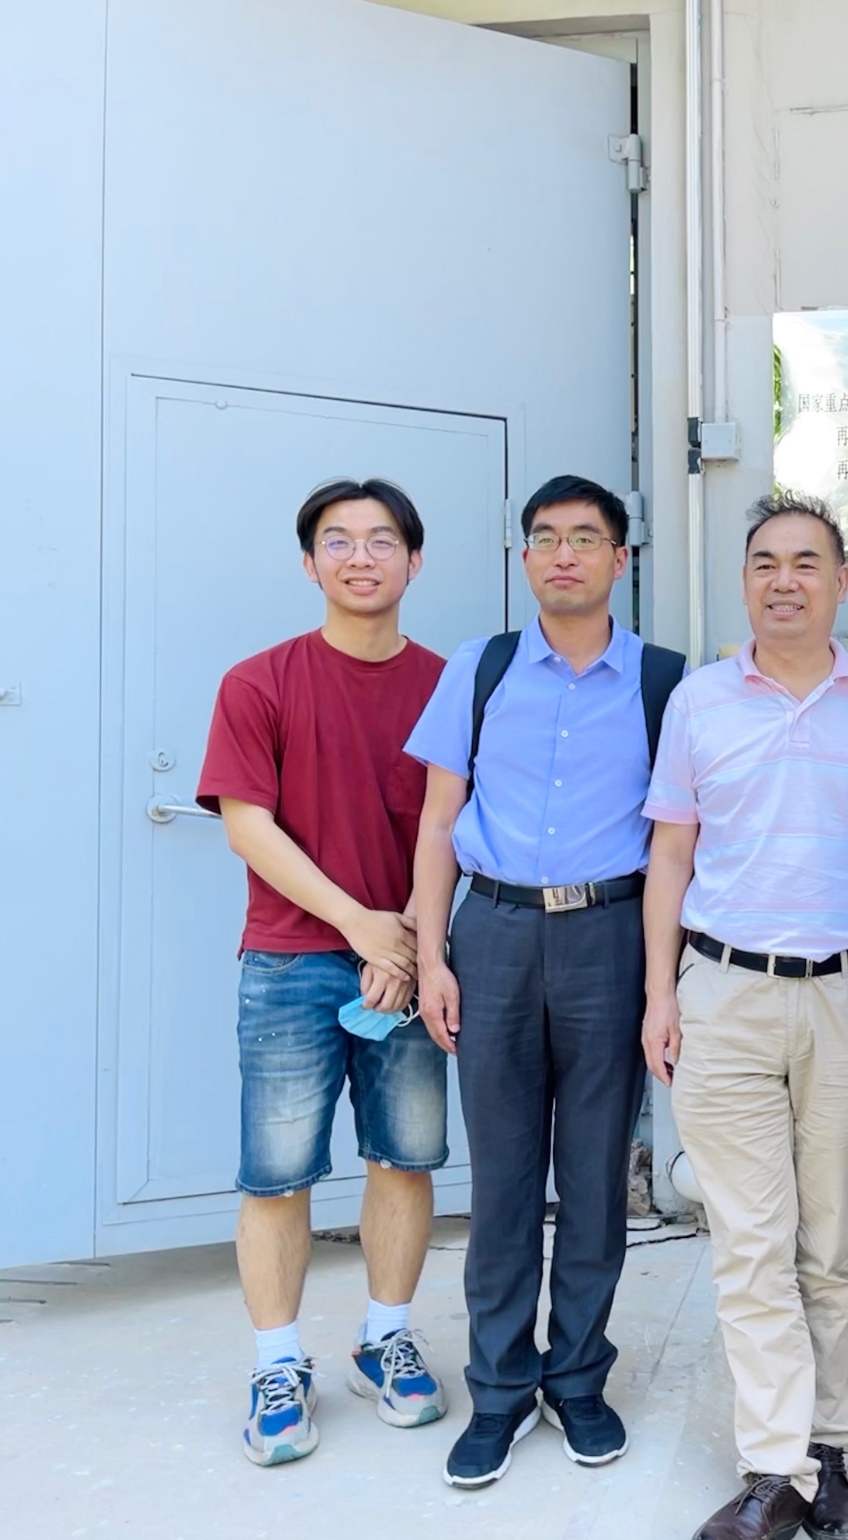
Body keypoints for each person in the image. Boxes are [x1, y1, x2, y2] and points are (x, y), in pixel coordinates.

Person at [406, 474, 684, 1489]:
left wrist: (662, 984)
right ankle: (497, 1390)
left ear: (620, 558)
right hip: (495, 933)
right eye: (546, 538)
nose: (565, 554)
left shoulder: (664, 681)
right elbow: (439, 819)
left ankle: (576, 1379)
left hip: (610, 934)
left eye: (585, 538)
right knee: (504, 1177)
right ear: (525, 557)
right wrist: (432, 955)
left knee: (598, 1174)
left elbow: (676, 842)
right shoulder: (478, 670)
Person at [642, 493, 848, 1540]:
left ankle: (828, 1451)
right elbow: (671, 852)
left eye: (806, 562)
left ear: (840, 583)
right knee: (749, 1244)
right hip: (725, 993)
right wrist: (660, 994)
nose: (784, 580)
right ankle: (772, 1465)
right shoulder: (700, 702)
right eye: (764, 562)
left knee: (828, 1245)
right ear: (744, 579)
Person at [198, 477, 450, 1466]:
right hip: (291, 960)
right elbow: (246, 825)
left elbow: (457, 829)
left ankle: (386, 1339)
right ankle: (277, 1364)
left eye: (381, 540)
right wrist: (361, 927)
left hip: (411, 961)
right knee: (276, 1174)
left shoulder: (448, 687)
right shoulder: (259, 681)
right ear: (310, 564)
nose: (360, 557)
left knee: (405, 1158)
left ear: (413, 561)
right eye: (337, 541)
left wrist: (412, 942)